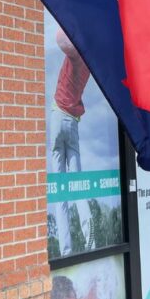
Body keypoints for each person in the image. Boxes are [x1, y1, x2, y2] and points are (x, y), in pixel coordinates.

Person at [51, 27, 92, 256]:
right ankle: (90, 240)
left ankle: (66, 251)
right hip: (73, 124)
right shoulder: (87, 64)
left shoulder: (76, 55)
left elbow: (59, 38)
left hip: (59, 117)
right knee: (77, 183)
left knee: (60, 191)